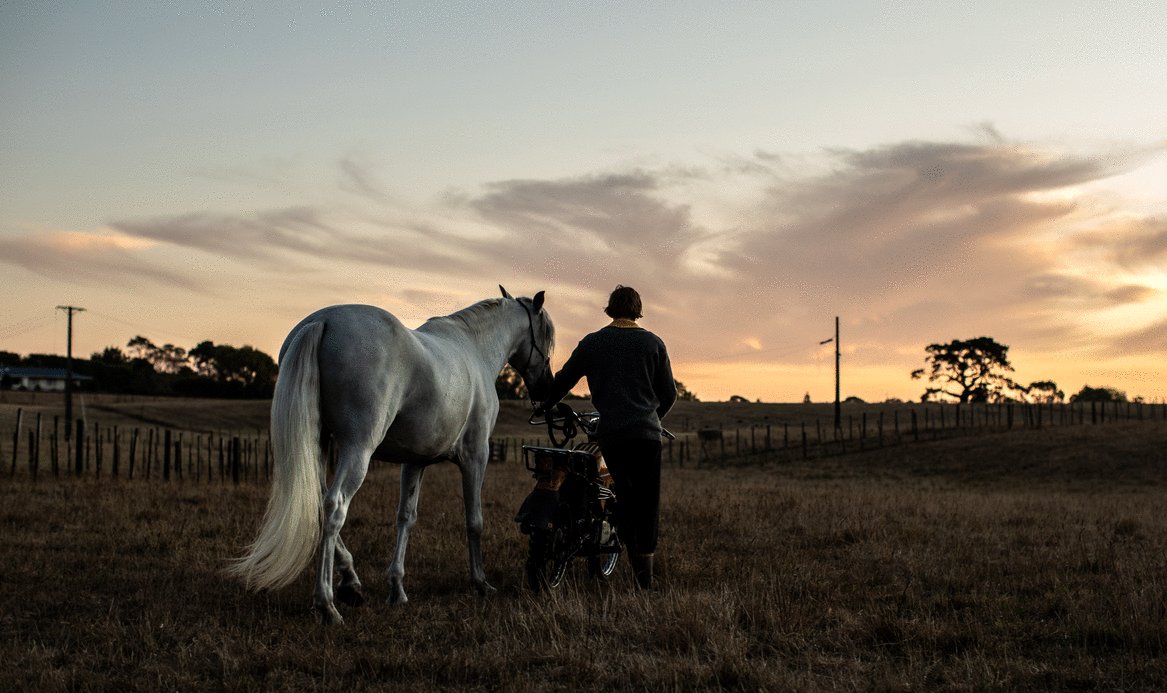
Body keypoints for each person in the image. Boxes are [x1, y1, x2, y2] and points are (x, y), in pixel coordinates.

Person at [539, 285, 677, 589]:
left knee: (623, 497)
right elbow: (669, 394)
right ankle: (644, 580)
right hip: (646, 437)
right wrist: (651, 418)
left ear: (611, 309)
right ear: (638, 310)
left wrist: (544, 404)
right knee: (647, 503)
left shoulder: (593, 343)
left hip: (613, 436)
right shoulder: (654, 343)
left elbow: (562, 381)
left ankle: (615, 539)